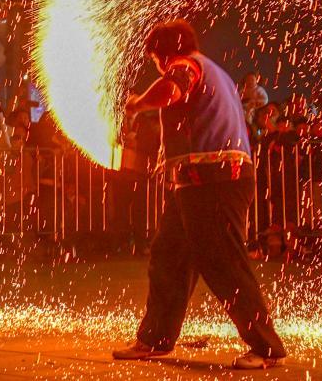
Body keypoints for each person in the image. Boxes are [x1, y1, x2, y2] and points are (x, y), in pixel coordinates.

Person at [112, 19, 286, 369]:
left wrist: (137, 104)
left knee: (222, 260)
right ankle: (154, 339)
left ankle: (266, 347)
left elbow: (172, 90)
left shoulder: (185, 65)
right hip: (193, 184)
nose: (158, 67)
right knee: (169, 258)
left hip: (215, 181)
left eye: (155, 61)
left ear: (164, 53)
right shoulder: (215, 71)